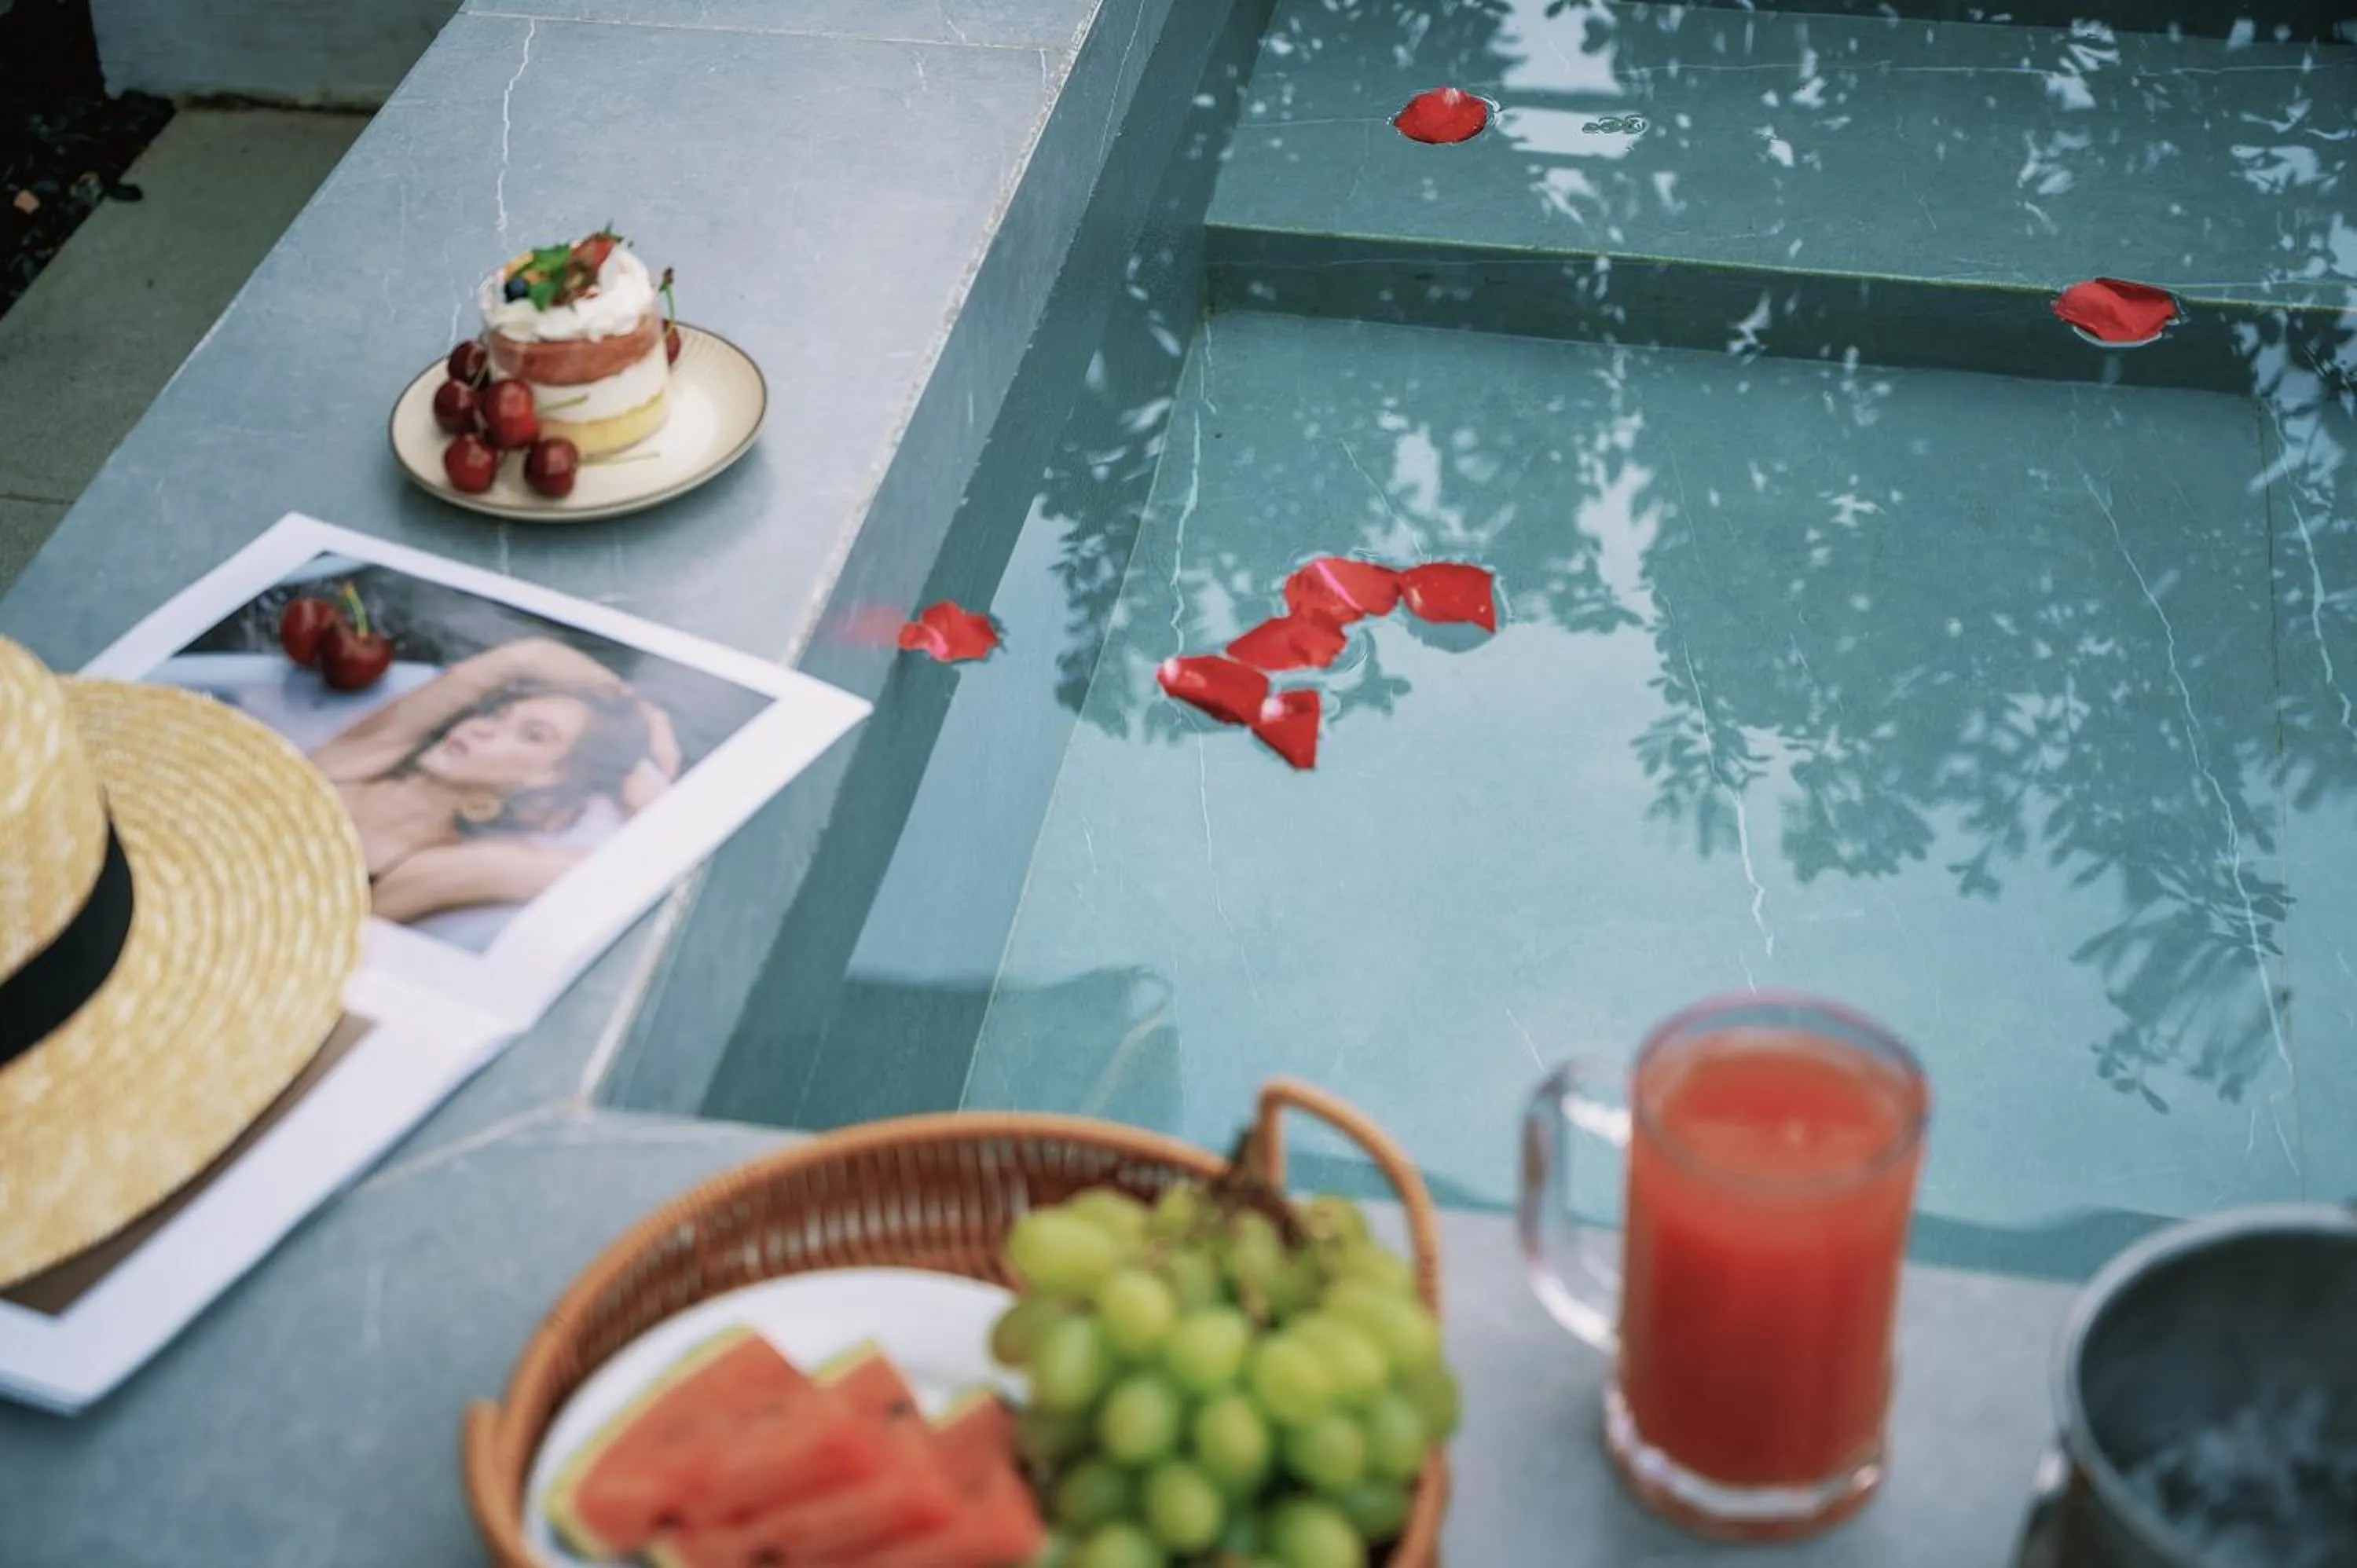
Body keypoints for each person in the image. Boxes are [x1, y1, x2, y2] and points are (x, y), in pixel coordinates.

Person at [309, 636, 680, 923]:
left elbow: (632, 868)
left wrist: (635, 774)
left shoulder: (435, 867)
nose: (483, 729)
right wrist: (644, 712)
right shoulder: (364, 759)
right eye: (499, 714)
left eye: (532, 735)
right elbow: (526, 657)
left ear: (547, 777)